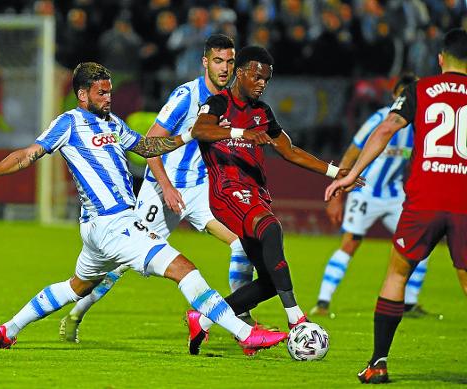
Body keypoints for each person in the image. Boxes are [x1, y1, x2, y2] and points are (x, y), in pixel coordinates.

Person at [0, 62, 288, 354]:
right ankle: (245, 334)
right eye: (101, 93)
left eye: (109, 92)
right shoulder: (68, 123)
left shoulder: (113, 124)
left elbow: (147, 145)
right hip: (112, 223)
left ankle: (8, 329)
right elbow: (26, 155)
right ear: (82, 94)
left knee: (76, 286)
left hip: (100, 228)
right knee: (184, 269)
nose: (108, 98)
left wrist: (189, 136)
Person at [59, 34, 259, 343]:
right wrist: (165, 186)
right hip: (163, 191)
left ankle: (241, 317)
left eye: (230, 61)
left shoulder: (233, 100)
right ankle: (76, 312)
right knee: (120, 262)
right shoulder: (186, 96)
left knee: (242, 244)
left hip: (200, 190)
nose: (225, 67)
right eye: (218, 61)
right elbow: (151, 142)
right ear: (205, 62)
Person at [185, 46, 363, 355]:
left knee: (268, 281)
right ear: (239, 72)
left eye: (266, 79)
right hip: (227, 191)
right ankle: (297, 319)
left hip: (254, 193)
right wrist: (241, 133)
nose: (261, 83)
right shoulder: (218, 103)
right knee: (271, 229)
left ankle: (203, 319)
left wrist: (336, 171)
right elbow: (199, 130)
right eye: (256, 76)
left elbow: (290, 150)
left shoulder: (263, 112)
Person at [325, 28, 467, 384]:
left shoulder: (421, 90)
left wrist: (350, 175)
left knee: (397, 274)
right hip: (464, 201)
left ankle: (378, 363)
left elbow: (388, 126)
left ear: (440, 59)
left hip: (424, 199)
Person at [310, 74, 430, 318]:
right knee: (350, 244)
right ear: (396, 97)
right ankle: (322, 303)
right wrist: (337, 195)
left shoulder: (422, 124)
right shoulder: (379, 119)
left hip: (395, 195)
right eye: (405, 95)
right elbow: (352, 152)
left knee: (420, 243)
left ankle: (411, 304)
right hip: (365, 193)